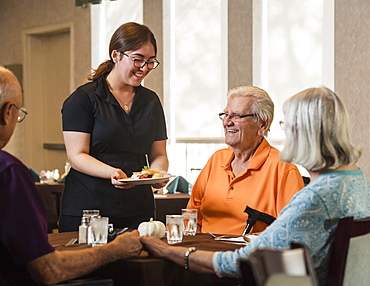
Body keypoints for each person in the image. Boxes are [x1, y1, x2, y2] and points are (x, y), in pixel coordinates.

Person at [140, 86, 370, 285]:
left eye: (287, 125)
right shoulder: (354, 180)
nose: (285, 133)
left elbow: (242, 261)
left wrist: (166, 250)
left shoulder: (314, 198)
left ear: (305, 133)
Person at [0, 66, 143, 285]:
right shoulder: (9, 173)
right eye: (18, 113)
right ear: (8, 112)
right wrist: (114, 250)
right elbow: (49, 269)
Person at [59, 22, 169, 232]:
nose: (144, 68)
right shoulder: (83, 99)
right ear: (116, 55)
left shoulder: (151, 101)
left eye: (150, 61)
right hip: (89, 206)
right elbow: (77, 155)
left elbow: (159, 152)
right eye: (137, 59)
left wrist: (158, 173)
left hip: (138, 207)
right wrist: (112, 172)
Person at [186, 86, 304, 235]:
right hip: (204, 251)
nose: (227, 122)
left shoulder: (283, 168)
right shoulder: (217, 159)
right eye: (226, 114)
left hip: (249, 254)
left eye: (236, 116)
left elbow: (291, 232)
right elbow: (191, 217)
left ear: (263, 124)